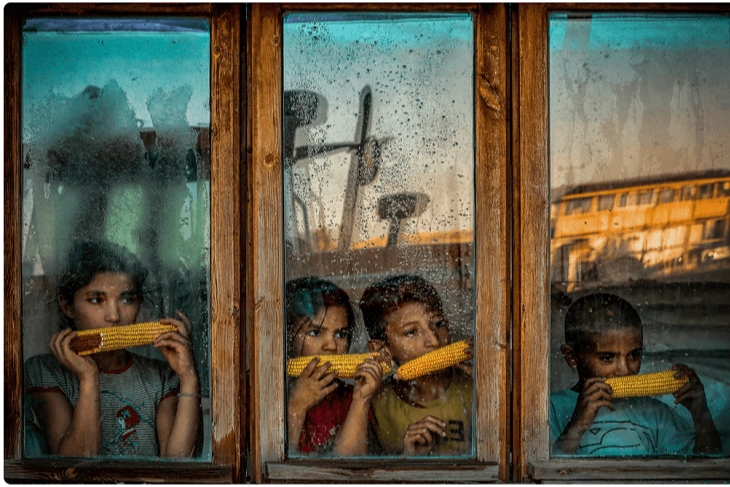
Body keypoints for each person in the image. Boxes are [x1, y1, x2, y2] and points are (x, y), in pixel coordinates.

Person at [24, 240, 200, 458]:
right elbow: (75, 466)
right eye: (97, 300)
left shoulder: (161, 377)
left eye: (127, 299)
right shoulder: (45, 372)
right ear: (67, 306)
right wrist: (89, 378)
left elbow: (179, 464)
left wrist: (189, 376)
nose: (114, 316)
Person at [551, 293, 722, 456]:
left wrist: (701, 415)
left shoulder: (654, 413)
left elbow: (705, 465)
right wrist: (577, 425)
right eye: (607, 357)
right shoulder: (552, 408)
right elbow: (550, 474)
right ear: (572, 357)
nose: (625, 371)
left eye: (634, 355)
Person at [360, 274, 473, 456]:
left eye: (439, 323)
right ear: (383, 350)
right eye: (412, 332)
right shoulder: (378, 403)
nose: (434, 341)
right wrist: (407, 458)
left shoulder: (472, 387)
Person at [286, 276, 384, 456]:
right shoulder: (266, 396)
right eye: (315, 332)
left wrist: (360, 402)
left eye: (341, 334)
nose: (331, 346)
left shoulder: (347, 398)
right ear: (287, 338)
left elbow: (347, 471)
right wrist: (296, 407)